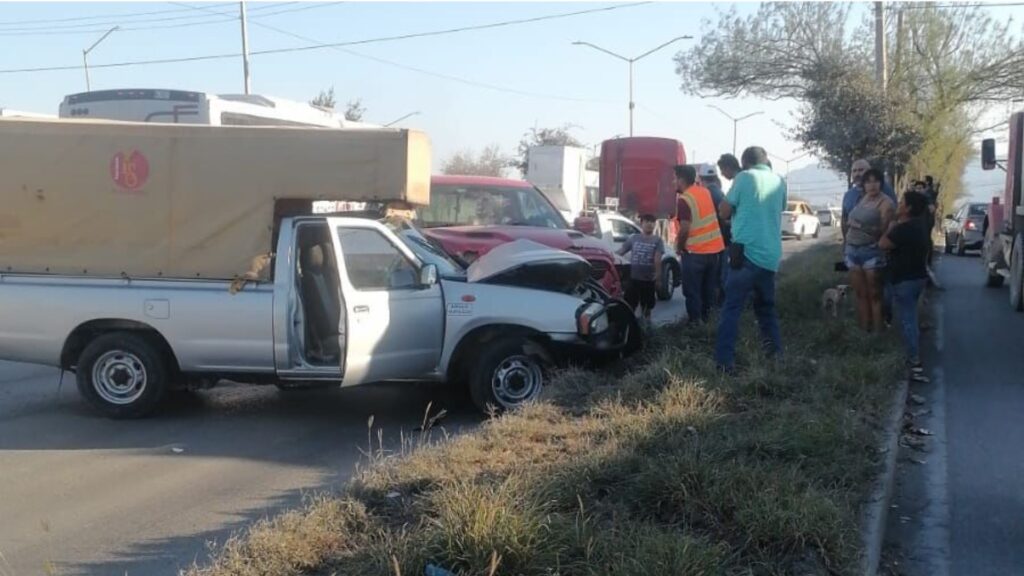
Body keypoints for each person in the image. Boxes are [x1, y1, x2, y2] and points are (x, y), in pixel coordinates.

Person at [715, 146, 786, 371]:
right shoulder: (780, 181)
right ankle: (775, 356)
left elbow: (724, 211)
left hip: (744, 255)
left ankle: (724, 363)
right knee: (766, 308)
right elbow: (778, 208)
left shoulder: (744, 177)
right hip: (771, 256)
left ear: (744, 163)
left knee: (732, 308)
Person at [879, 191, 930, 383]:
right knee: (910, 317)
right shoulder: (919, 226)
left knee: (907, 319)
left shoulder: (903, 228)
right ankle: (912, 352)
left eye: (902, 202)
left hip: (904, 280)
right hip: (917, 278)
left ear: (908, 208)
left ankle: (913, 359)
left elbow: (883, 244)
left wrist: (890, 226)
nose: (898, 205)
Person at [845, 168, 896, 332]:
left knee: (875, 295)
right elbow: (848, 219)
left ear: (881, 183)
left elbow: (884, 231)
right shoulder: (863, 199)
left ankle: (877, 332)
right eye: (868, 181)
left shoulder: (886, 203)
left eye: (875, 181)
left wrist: (860, 226)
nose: (872, 185)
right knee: (860, 294)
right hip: (852, 251)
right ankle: (864, 330)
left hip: (871, 252)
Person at [674, 165, 726, 325]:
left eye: (674, 178)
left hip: (695, 253)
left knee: (692, 292)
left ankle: (696, 326)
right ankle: (708, 322)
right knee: (707, 291)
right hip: (714, 251)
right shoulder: (704, 192)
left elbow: (684, 228)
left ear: (681, 180)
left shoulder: (684, 199)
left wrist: (678, 246)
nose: (672, 181)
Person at [617, 213, 664, 329]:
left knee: (647, 307)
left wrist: (658, 277)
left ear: (655, 225)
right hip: (633, 279)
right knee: (630, 305)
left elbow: (657, 260)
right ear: (641, 223)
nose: (649, 224)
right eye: (646, 221)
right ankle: (630, 328)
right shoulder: (633, 238)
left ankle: (646, 328)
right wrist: (610, 256)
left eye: (652, 222)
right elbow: (621, 251)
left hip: (648, 280)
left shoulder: (657, 240)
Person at [698, 163, 732, 303]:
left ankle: (714, 310)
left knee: (713, 279)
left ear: (701, 178)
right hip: (723, 241)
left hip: (709, 244)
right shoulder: (721, 194)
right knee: (720, 276)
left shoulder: (703, 195)